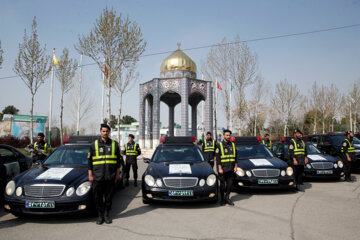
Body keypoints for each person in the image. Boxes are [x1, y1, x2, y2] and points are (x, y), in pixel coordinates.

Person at [88, 124, 123, 225]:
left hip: (110, 176)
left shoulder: (114, 144)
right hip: (97, 176)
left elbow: (118, 161)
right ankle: (100, 215)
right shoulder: (93, 144)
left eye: (107, 131)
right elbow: (89, 161)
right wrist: (90, 175)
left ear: (109, 132)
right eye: (103, 131)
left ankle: (107, 215)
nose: (105, 133)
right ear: (100, 132)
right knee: (97, 197)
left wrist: (117, 174)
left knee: (108, 198)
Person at [215, 129, 237, 206]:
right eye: (227, 135)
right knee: (222, 185)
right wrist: (220, 168)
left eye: (229, 135)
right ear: (224, 135)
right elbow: (218, 158)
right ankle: (222, 199)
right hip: (223, 169)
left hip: (231, 168)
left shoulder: (233, 145)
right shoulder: (219, 145)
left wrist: (236, 167)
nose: (228, 136)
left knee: (230, 184)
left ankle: (227, 197)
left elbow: (236, 157)